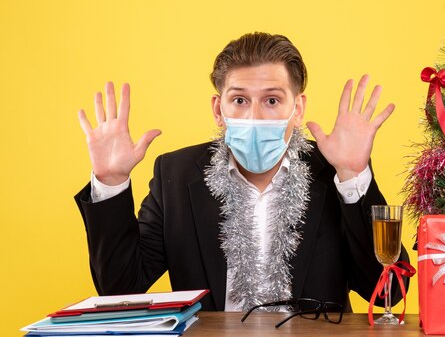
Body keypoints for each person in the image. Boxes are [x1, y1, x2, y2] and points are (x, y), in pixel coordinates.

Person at [75, 32, 409, 312]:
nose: (254, 117)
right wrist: (111, 183)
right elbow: (120, 287)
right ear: (218, 109)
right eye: (239, 100)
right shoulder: (175, 175)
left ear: (299, 109)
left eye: (272, 101)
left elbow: (389, 292)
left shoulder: (331, 173)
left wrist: (352, 176)